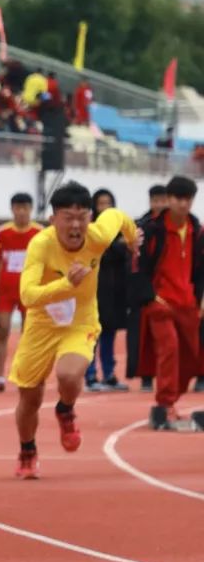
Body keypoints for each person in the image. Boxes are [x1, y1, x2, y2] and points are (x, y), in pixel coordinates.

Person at [9, 181, 138, 480]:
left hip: (80, 321)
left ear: (90, 218)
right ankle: (27, 449)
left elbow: (118, 216)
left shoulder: (99, 236)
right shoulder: (40, 244)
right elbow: (27, 295)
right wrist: (66, 285)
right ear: (54, 219)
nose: (76, 225)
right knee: (30, 397)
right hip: (42, 325)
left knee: (69, 374)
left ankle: (65, 410)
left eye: (82, 217)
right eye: (68, 217)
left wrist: (132, 237)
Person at [131, 176, 202, 422]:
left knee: (192, 357)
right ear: (169, 200)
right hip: (160, 304)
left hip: (188, 304)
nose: (183, 204)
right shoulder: (152, 230)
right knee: (169, 348)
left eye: (187, 199)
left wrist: (200, 299)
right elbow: (138, 266)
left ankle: (173, 397)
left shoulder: (197, 231)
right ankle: (164, 404)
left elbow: (200, 270)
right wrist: (150, 297)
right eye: (178, 199)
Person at [0, 193, 42, 392]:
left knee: (29, 333)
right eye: (17, 208)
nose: (21, 212)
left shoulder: (39, 232)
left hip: (29, 290)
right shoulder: (3, 232)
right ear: (12, 210)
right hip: (6, 290)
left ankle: (26, 373)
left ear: (30, 209)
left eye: (25, 208)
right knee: (2, 329)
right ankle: (0, 377)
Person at [84, 189, 130, 392]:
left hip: (115, 290)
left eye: (108, 203)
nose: (104, 207)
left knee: (110, 332)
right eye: (100, 203)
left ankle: (109, 374)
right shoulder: (90, 232)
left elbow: (127, 254)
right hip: (94, 290)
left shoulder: (120, 233)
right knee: (92, 334)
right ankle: (90, 375)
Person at [129, 184, 169, 393]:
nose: (160, 205)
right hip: (148, 289)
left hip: (174, 286)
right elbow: (136, 261)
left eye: (164, 200)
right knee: (145, 336)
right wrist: (145, 291)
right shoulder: (141, 227)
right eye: (156, 200)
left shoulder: (185, 225)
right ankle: (146, 375)